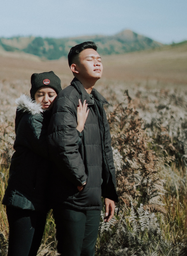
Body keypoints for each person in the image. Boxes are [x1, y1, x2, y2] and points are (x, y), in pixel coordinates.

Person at [2, 71, 88, 256]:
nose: (46, 99)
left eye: (51, 94)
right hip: (24, 200)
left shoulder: (48, 119)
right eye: (40, 94)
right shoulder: (33, 119)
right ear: (33, 96)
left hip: (35, 199)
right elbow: (55, 150)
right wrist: (78, 129)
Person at [47, 41, 118, 256]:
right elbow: (63, 145)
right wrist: (81, 181)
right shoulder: (67, 99)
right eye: (90, 59)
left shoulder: (95, 101)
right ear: (74, 68)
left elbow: (105, 150)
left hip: (92, 198)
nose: (97, 63)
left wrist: (108, 192)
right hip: (73, 198)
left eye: (99, 59)